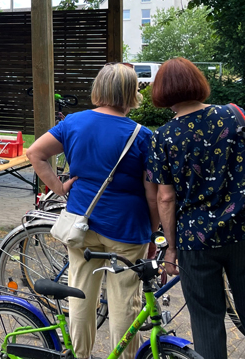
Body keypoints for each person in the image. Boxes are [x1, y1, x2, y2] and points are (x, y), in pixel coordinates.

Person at [147, 57, 245, 359]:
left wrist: (171, 248)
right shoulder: (234, 116)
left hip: (195, 241)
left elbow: (165, 198)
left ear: (161, 91)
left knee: (207, 323)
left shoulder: (163, 137)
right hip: (244, 230)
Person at [26, 63, 159, 359]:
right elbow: (153, 196)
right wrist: (152, 232)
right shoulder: (142, 135)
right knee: (125, 302)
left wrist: (58, 187)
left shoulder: (73, 122)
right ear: (131, 92)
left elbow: (35, 152)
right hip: (127, 227)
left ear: (99, 89)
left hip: (81, 223)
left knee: (80, 296)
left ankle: (80, 354)